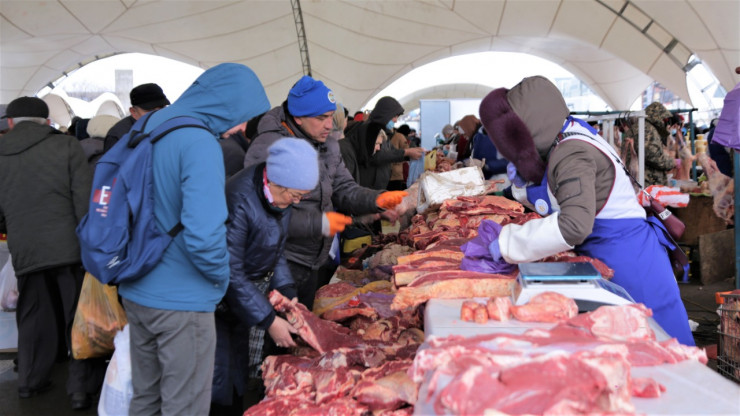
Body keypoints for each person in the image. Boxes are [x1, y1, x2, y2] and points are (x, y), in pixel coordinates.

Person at [479, 76, 694, 346]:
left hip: (628, 260)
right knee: (631, 349)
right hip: (616, 249)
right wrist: (519, 188)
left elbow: (574, 225)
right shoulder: (569, 132)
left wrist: (507, 243)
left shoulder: (571, 152)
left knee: (662, 346)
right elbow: (566, 195)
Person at [117, 63, 270, 415]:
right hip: (182, 300)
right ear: (227, 103)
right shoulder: (199, 142)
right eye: (243, 115)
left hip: (136, 286)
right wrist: (220, 282)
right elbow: (204, 234)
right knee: (184, 405)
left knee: (146, 399)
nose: (242, 127)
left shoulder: (151, 124)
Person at [244, 75, 407, 311]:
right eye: (321, 118)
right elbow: (262, 214)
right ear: (298, 117)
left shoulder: (327, 145)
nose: (330, 125)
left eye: (331, 116)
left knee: (305, 325)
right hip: (278, 264)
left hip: (314, 260)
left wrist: (377, 199)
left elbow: (344, 188)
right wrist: (319, 224)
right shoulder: (270, 147)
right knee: (279, 330)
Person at [0, 96, 101, 410]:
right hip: (69, 247)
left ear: (11, 122)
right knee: (76, 318)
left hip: (25, 247)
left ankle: (29, 381)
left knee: (33, 314)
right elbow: (83, 201)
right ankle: (79, 389)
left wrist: (13, 228)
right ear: (47, 121)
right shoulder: (67, 146)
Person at [210, 138, 319, 416]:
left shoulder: (278, 195)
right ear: (278, 182)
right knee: (219, 379)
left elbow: (276, 249)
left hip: (243, 300)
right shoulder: (240, 200)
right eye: (295, 195)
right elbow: (230, 270)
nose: (297, 201)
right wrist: (269, 320)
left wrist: (288, 293)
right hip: (218, 302)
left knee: (237, 375)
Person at [344, 96, 424, 190]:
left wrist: (411, 154)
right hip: (367, 187)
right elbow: (375, 156)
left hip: (377, 186)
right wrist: (406, 152)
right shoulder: (369, 129)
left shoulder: (383, 131)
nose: (396, 120)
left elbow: (392, 152)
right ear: (386, 114)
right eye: (394, 116)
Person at [102, 82, 170, 152]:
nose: (157, 114)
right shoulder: (117, 135)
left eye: (162, 108)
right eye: (150, 110)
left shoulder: (169, 127)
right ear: (133, 112)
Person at [621, 101, 676, 186]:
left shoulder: (642, 126)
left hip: (642, 180)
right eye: (663, 118)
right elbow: (651, 155)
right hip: (647, 182)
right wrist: (671, 162)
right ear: (657, 116)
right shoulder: (646, 128)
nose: (664, 121)